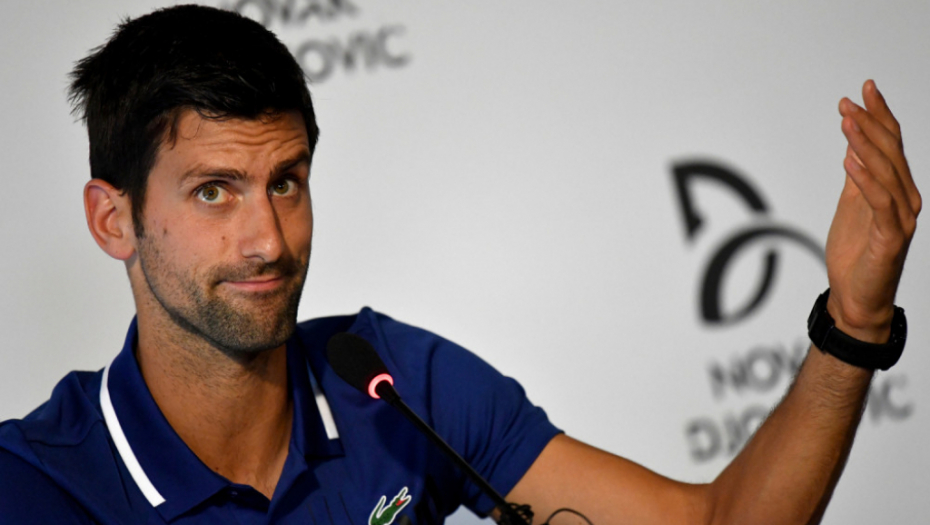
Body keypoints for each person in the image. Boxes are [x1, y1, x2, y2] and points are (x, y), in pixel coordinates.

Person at [0, 4, 920, 525]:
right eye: (214, 191)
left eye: (287, 181)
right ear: (114, 219)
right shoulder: (32, 486)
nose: (268, 240)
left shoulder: (392, 381)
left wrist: (855, 322)